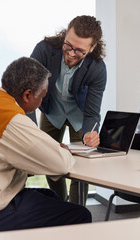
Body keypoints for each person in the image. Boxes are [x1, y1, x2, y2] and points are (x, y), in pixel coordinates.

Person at [0, 57, 92, 234]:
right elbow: (61, 164)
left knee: (51, 197)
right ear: (27, 95)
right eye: (42, 96)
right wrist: (62, 151)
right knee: (80, 214)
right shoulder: (11, 119)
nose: (42, 103)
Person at [29, 15, 107, 203]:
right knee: (50, 161)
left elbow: (91, 112)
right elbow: (27, 91)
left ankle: (76, 212)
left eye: (79, 51)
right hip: (51, 110)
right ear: (65, 35)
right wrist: (29, 131)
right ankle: (59, 205)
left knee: (80, 166)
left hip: (79, 116)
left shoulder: (97, 69)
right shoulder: (44, 50)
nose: (71, 54)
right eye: (68, 46)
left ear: (92, 48)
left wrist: (91, 134)